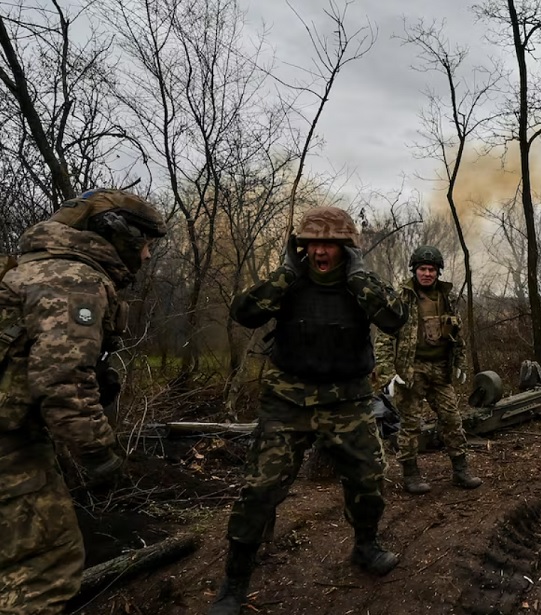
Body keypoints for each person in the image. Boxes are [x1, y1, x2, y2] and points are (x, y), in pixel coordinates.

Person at [209, 207, 407, 615]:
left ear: (346, 248)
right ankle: (235, 580)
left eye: (330, 244)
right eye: (312, 243)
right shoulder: (289, 281)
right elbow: (244, 313)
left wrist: (360, 277)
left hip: (348, 398)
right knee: (260, 488)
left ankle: (366, 546)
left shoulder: (360, 284)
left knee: (369, 477)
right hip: (288, 399)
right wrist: (285, 274)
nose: (320, 252)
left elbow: (395, 320)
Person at [0, 189, 166, 613]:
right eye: (145, 242)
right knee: (45, 566)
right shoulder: (73, 280)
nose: (147, 255)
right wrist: (103, 459)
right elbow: (64, 384)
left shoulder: (29, 269)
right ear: (119, 234)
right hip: (9, 446)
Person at [374, 245, 482, 495]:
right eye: (422, 269)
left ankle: (461, 470)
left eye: (431, 270)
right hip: (411, 370)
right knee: (410, 424)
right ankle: (411, 474)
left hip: (440, 369)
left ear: (437, 272)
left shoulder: (446, 297)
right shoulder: (402, 298)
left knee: (452, 420)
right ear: (414, 270)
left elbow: (457, 332)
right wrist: (388, 373)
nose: (427, 274)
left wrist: (460, 362)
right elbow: (384, 336)